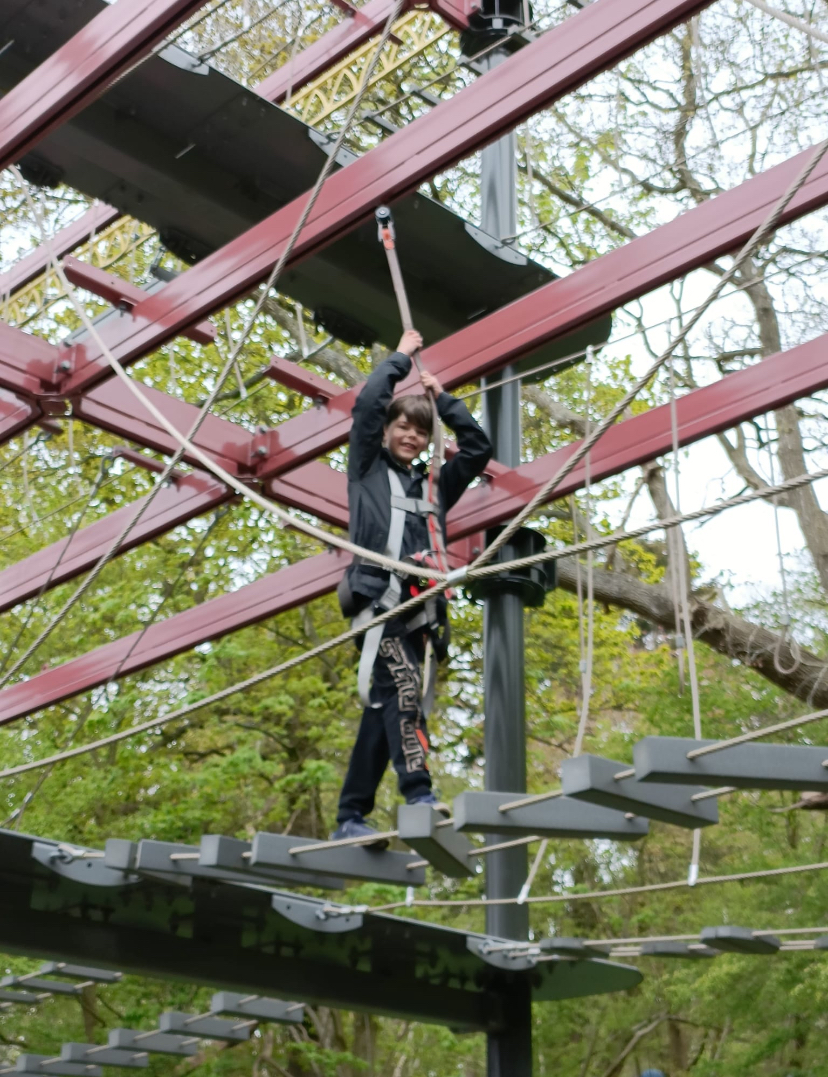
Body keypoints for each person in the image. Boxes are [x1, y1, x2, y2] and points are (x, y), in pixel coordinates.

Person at [332, 329, 492, 843]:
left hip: (420, 614)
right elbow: (366, 408)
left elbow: (478, 448)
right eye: (402, 426)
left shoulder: (434, 486)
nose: (410, 437)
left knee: (385, 715)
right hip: (380, 607)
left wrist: (444, 400)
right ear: (387, 431)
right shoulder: (366, 470)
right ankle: (418, 792)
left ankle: (349, 815)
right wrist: (400, 359)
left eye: (420, 433)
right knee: (403, 694)